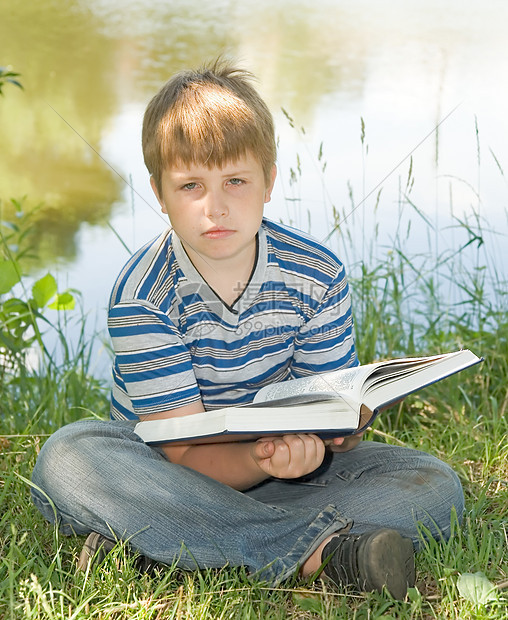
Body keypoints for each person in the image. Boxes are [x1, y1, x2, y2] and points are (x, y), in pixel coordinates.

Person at [31, 59, 464, 599]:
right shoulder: (143, 295)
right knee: (70, 458)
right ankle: (320, 554)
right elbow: (180, 452)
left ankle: (167, 540)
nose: (216, 208)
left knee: (434, 484)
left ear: (268, 182)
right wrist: (258, 460)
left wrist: (329, 438)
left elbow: (330, 415)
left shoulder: (317, 275)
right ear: (160, 195)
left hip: (285, 475)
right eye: (191, 186)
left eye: (236, 181)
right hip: (166, 471)